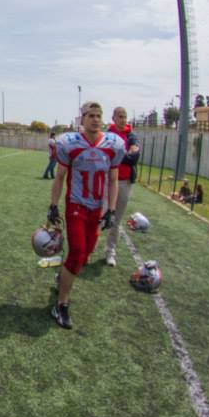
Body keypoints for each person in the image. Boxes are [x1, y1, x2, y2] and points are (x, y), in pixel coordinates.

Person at [48, 101, 125, 329]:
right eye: (90, 115)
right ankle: (61, 304)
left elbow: (113, 180)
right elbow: (60, 177)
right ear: (82, 118)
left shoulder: (113, 144)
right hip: (76, 205)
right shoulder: (70, 143)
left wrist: (110, 209)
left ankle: (62, 278)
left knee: (85, 255)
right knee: (77, 251)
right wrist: (53, 205)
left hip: (96, 208)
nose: (94, 118)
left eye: (98, 115)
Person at [103, 107, 141, 266]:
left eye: (125, 116)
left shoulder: (131, 135)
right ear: (113, 118)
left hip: (124, 182)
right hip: (106, 181)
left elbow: (134, 156)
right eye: (120, 116)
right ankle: (87, 250)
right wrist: (122, 155)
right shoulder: (106, 135)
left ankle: (110, 251)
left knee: (116, 220)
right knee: (98, 216)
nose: (123, 119)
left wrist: (117, 155)